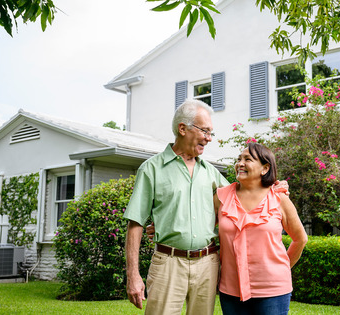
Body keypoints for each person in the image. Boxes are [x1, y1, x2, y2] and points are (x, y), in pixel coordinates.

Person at [124, 99, 229, 315]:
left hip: (207, 263)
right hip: (168, 264)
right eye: (205, 131)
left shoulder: (211, 172)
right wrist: (132, 275)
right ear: (183, 128)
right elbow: (135, 223)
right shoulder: (151, 169)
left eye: (211, 133)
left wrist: (271, 186)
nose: (209, 138)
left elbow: (239, 201)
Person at [215, 143, 308, 315]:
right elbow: (201, 225)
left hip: (273, 291)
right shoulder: (222, 197)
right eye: (239, 159)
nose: (240, 163)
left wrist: (282, 268)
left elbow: (300, 239)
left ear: (265, 168)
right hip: (231, 290)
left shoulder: (279, 198)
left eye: (248, 159)